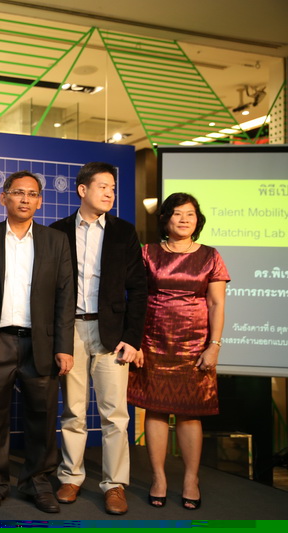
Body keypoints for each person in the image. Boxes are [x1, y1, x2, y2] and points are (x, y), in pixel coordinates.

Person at [50, 161, 147, 515]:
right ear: (82, 190)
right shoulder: (57, 231)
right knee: (73, 411)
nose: (109, 193)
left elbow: (139, 289)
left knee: (115, 415)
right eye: (102, 186)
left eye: (112, 188)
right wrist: (56, 338)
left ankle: (114, 484)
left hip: (113, 334)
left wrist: (132, 338)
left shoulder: (124, 232)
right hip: (71, 330)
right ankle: (70, 477)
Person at [0, 171, 74, 513]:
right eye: (18, 192)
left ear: (40, 202)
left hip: (40, 342)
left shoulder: (55, 241)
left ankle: (38, 483)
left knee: (42, 417)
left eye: (32, 194)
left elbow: (65, 296)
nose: (25, 199)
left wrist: (64, 346)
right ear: (3, 197)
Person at [128, 192, 229, 511]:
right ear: (165, 219)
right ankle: (158, 478)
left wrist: (214, 346)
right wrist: (136, 342)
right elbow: (136, 299)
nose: (184, 219)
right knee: (154, 410)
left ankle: (190, 479)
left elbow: (216, 303)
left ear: (198, 220)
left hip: (194, 345)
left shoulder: (211, 255)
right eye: (177, 213)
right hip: (153, 341)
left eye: (190, 214)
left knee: (189, 413)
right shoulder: (148, 253)